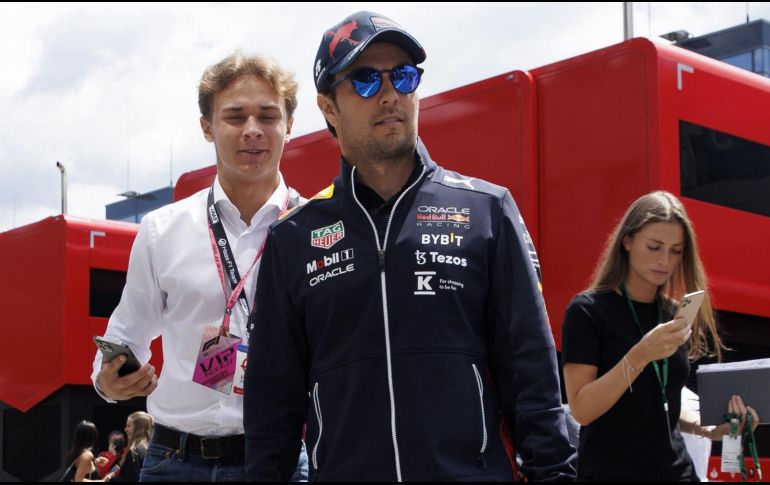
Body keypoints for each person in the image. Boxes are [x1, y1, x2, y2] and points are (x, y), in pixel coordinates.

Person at [243, 11, 576, 482]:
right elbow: (271, 407)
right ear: (328, 108)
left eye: (403, 75)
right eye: (363, 80)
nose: (389, 94)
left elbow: (533, 378)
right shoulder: (293, 237)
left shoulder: (487, 210)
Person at [91, 52, 307, 481]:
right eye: (234, 116)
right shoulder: (161, 230)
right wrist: (108, 380)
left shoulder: (318, 228)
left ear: (289, 124)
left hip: (280, 459)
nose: (252, 130)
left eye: (267, 115)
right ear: (207, 127)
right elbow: (126, 333)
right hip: (174, 461)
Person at [561, 190, 761, 481]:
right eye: (654, 247)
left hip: (678, 473)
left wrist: (708, 429)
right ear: (627, 241)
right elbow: (582, 409)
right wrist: (640, 355)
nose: (664, 260)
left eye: (676, 250)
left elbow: (660, 400)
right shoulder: (587, 311)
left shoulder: (673, 312)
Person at [104, 411, 154, 482]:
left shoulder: (135, 451)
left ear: (138, 428)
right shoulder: (152, 448)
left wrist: (111, 479)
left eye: (128, 426)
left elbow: (132, 480)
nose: (125, 429)